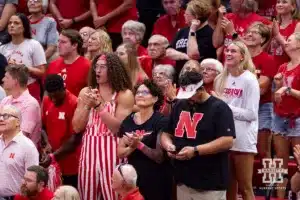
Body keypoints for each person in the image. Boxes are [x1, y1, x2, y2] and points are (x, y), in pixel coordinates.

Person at [160, 71, 235, 200]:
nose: (188, 99)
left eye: (191, 95)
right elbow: (166, 132)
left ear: (200, 89)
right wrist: (168, 146)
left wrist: (196, 150)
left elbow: (227, 141)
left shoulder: (220, 108)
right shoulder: (180, 105)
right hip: (183, 179)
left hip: (209, 182)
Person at [72, 53, 134, 200]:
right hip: (89, 153)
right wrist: (87, 105)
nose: (97, 71)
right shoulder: (86, 92)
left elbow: (118, 129)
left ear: (113, 69)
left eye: (102, 67)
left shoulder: (124, 95)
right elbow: (76, 127)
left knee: (114, 196)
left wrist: (99, 107)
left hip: (113, 152)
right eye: (96, 67)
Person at [213, 41, 259, 200]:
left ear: (242, 57)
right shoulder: (220, 79)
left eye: (233, 51)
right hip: (223, 138)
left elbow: (251, 114)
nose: (229, 53)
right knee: (228, 186)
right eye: (227, 50)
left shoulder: (250, 79)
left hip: (243, 138)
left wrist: (224, 105)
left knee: (245, 187)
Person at [117, 79, 172, 200]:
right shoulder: (128, 121)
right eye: (138, 92)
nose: (140, 95)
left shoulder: (161, 121)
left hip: (157, 180)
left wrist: (139, 145)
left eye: (145, 92)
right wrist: (132, 147)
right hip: (135, 181)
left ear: (155, 98)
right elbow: (120, 153)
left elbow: (159, 157)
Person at [39, 74, 81, 188]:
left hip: (71, 165)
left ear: (63, 89)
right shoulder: (47, 101)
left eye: (56, 97)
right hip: (52, 163)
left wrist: (53, 156)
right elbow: (42, 127)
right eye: (50, 96)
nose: (53, 100)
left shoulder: (74, 103)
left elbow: (75, 139)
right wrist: (47, 143)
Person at [272, 32, 300, 199]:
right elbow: (277, 96)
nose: (285, 43)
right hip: (279, 117)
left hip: (297, 118)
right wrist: (278, 86)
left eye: (289, 40)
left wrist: (287, 89)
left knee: (299, 163)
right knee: (279, 163)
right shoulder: (282, 67)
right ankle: (280, 197)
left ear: (298, 45)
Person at [244, 22, 277, 160]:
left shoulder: (268, 59)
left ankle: (271, 180)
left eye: (255, 32)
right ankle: (246, 181)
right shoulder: (239, 58)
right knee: (243, 149)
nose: (249, 34)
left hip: (262, 107)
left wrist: (240, 88)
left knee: (263, 150)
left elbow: (262, 88)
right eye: (248, 32)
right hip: (242, 107)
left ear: (263, 39)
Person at [0, 13, 47, 102]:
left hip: (29, 88)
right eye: (10, 23)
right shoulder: (2, 47)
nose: (12, 25)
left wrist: (24, 68)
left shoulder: (34, 45)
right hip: (7, 90)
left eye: (16, 23)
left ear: (24, 27)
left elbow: (42, 71)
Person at [167, 0, 217, 79]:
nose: (184, 15)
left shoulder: (209, 34)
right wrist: (184, 56)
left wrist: (192, 31)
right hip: (180, 78)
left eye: (187, 14)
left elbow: (193, 55)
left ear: (195, 17)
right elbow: (168, 52)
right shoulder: (182, 31)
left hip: (198, 79)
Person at [0, 105, 39, 199]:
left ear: (17, 122)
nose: (1, 119)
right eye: (0, 115)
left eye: (6, 116)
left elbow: (33, 181)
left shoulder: (28, 147)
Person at [1, 64, 41, 147]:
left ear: (15, 81)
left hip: (22, 155)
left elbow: (21, 136)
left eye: (6, 77)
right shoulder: (5, 100)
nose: (3, 79)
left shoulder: (31, 104)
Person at [47, 29, 90, 97]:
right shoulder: (53, 65)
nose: (58, 45)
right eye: (58, 41)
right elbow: (46, 93)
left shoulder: (87, 66)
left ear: (74, 45)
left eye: (63, 42)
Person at [269, 0, 300, 70]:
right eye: (278, 2)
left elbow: (294, 51)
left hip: (287, 69)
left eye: (284, 2)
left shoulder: (297, 25)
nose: (280, 4)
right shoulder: (275, 24)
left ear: (293, 6)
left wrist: (277, 35)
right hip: (271, 67)